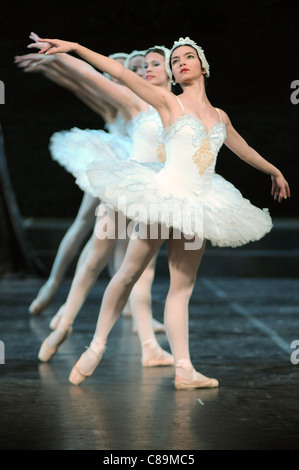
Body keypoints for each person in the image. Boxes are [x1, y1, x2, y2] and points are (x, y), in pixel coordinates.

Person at [35, 35, 290, 390]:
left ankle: (184, 369)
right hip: (165, 197)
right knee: (127, 273)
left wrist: (274, 170)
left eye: (188, 57)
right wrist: (75, 48)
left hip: (200, 203)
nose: (180, 63)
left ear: (203, 64)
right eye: (175, 61)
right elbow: (118, 74)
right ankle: (96, 345)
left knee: (181, 288)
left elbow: (243, 148)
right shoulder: (168, 102)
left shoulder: (219, 116)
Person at [31, 43, 174, 366]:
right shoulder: (134, 101)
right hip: (125, 186)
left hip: (157, 194)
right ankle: (64, 321)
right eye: (143, 66)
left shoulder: (180, 108)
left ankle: (149, 346)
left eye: (154, 64)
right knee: (97, 254)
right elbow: (90, 77)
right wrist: (63, 53)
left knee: (141, 271)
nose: (146, 70)